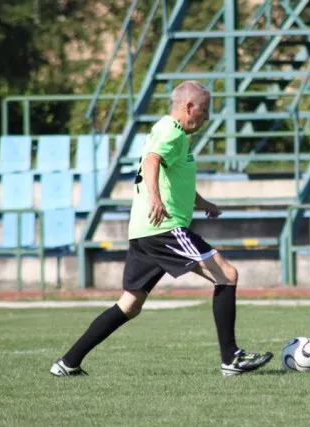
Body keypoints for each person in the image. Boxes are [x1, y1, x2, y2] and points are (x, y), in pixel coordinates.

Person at [50, 80, 273, 377]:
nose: (206, 117)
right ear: (189, 107)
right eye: (204, 110)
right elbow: (152, 161)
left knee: (130, 304)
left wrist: (203, 203)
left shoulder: (169, 131)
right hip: (164, 227)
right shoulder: (172, 131)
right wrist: (155, 198)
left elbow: (176, 180)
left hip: (144, 231)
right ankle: (231, 358)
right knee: (227, 274)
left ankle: (68, 362)